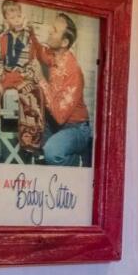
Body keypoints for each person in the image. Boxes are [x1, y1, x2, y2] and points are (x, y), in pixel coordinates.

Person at [26, 9, 94, 166]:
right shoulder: (54, 56)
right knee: (33, 142)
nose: (49, 31)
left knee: (52, 152)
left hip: (76, 128)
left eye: (55, 30)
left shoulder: (73, 71)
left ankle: (79, 162)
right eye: (52, 27)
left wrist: (41, 78)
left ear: (64, 43)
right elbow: (39, 51)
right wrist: (30, 32)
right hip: (56, 125)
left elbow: (59, 115)